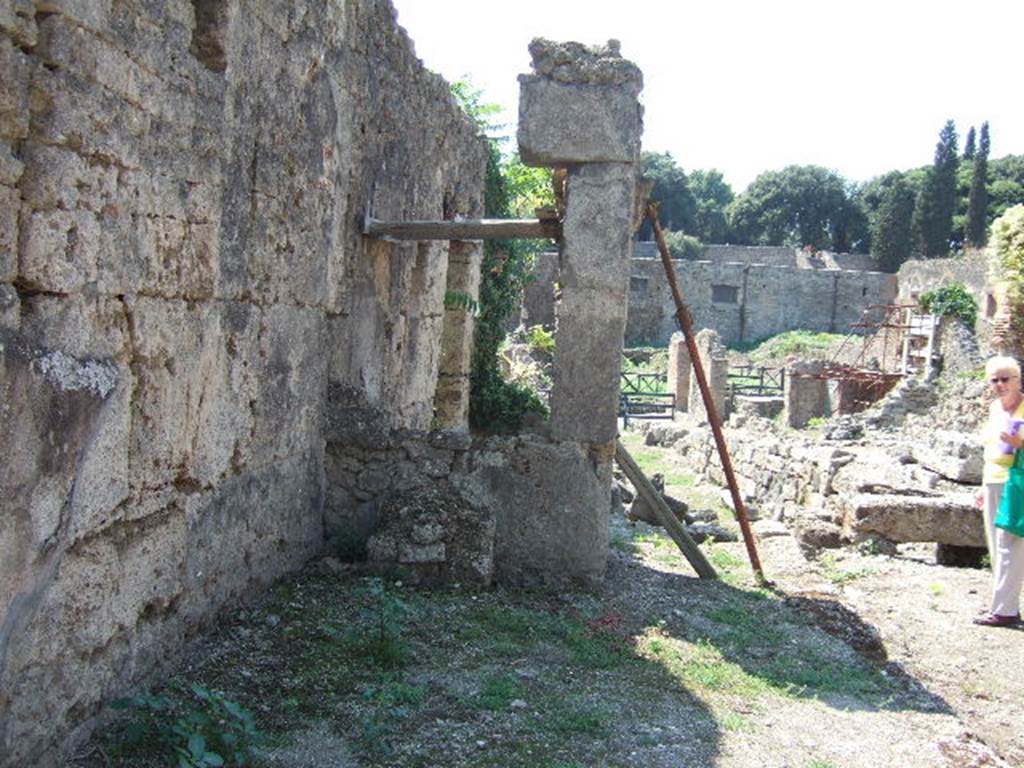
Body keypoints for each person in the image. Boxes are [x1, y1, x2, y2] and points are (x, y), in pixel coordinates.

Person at [974, 355, 1024, 627]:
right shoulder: (995, 409)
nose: (1000, 384)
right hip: (993, 478)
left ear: (1017, 380)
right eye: (995, 380)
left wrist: (1021, 443)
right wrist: (982, 487)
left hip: (1017, 482)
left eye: (1006, 379)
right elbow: (990, 450)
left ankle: (1003, 611)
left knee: (1010, 545)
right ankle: (1007, 604)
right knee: (996, 545)